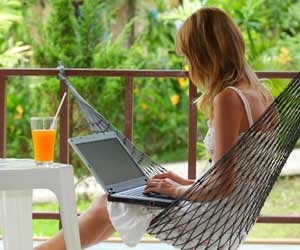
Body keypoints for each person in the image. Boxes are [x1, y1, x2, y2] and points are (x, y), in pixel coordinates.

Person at [35, 6, 273, 250]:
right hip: (231, 218)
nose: (187, 67)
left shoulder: (229, 99)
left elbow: (224, 184)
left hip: (212, 222)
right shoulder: (261, 93)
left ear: (204, 55)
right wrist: (181, 181)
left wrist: (177, 190)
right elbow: (239, 177)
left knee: (109, 202)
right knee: (115, 203)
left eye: (187, 57)